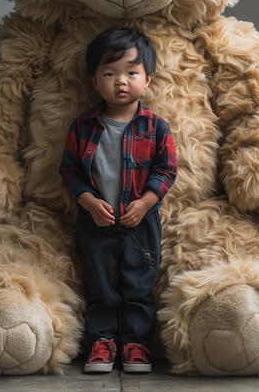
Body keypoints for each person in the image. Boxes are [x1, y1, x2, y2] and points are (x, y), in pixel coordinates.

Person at [59, 27, 177, 374]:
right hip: (96, 223)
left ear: (147, 79)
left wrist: (145, 203)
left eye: (131, 72)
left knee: (138, 286)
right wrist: (89, 202)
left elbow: (167, 170)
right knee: (100, 285)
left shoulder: (157, 128)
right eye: (109, 73)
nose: (120, 81)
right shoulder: (82, 127)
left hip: (141, 224)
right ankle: (102, 342)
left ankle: (136, 345)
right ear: (95, 82)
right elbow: (70, 171)